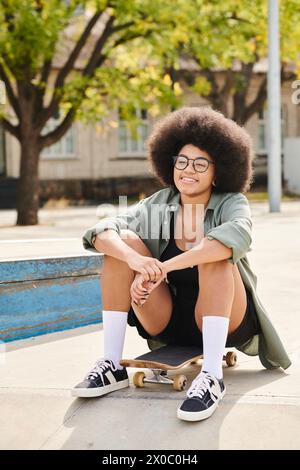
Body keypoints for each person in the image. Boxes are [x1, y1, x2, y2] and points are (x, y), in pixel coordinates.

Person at [72, 106, 291, 422]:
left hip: (224, 319)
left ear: (220, 170)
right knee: (121, 245)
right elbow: (100, 230)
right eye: (182, 161)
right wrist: (137, 260)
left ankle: (212, 378)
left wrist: (163, 268)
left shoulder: (232, 203)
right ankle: (112, 363)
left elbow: (234, 239)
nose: (189, 169)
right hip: (169, 319)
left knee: (216, 253)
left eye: (201, 163)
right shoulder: (160, 203)